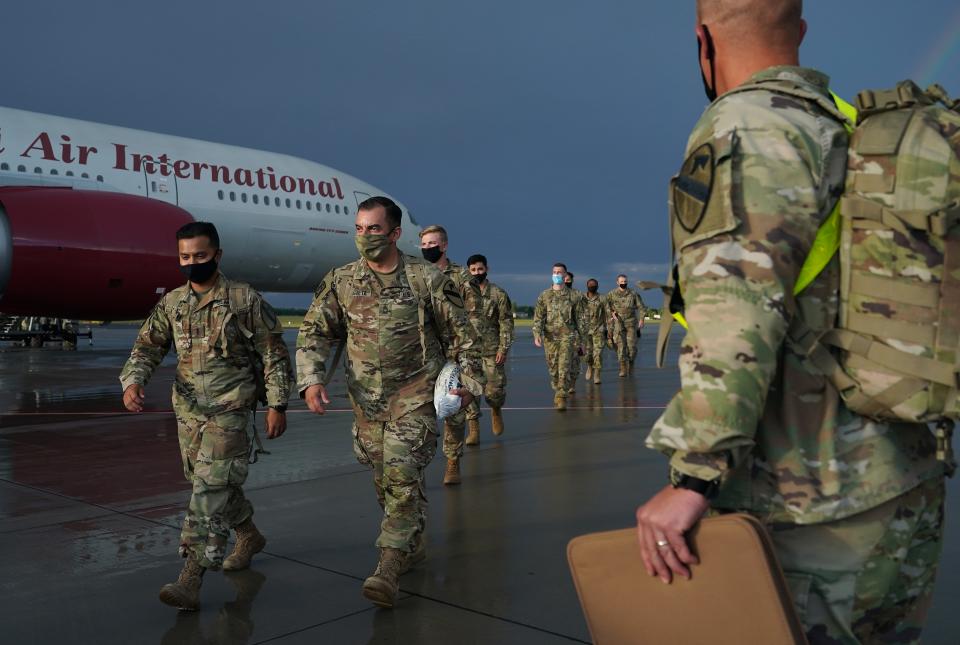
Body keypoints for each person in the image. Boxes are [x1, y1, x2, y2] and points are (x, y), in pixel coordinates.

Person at [635, 2, 946, 642]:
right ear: (800, 33)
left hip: (814, 502)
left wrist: (695, 475)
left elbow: (734, 312)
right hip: (903, 476)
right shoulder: (853, 127)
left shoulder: (743, 128)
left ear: (702, 42)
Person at [296, 197, 483, 608]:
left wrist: (467, 384)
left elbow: (464, 338)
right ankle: (411, 541)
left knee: (400, 477)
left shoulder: (425, 279)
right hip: (366, 402)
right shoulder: (341, 280)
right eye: (359, 229)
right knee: (385, 480)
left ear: (396, 233)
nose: (364, 237)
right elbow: (314, 333)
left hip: (415, 398)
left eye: (374, 229)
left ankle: (388, 565)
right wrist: (310, 379)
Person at [120, 221, 292, 611]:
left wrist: (277, 404)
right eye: (184, 257)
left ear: (217, 255)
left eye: (200, 256)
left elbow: (273, 353)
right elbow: (147, 346)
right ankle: (248, 534)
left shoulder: (243, 299)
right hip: (188, 412)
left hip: (230, 409)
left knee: (207, 492)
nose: (192, 263)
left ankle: (190, 578)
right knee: (210, 484)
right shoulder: (173, 303)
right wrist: (132, 382)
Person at [419, 224, 483, 485]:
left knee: (453, 410)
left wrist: (468, 361)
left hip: (453, 353)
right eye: (423, 246)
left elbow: (473, 319)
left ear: (443, 246)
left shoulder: (461, 278)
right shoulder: (415, 275)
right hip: (422, 354)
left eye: (432, 244)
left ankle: (452, 460)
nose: (427, 249)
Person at [463, 254, 515, 443]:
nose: (477, 273)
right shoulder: (463, 292)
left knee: (494, 391)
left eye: (480, 269)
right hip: (468, 351)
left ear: (487, 269)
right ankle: (474, 429)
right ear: (468, 271)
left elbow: (506, 322)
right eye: (473, 270)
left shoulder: (498, 293)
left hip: (492, 349)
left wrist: (504, 348)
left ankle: (495, 410)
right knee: (470, 391)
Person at [533, 263, 585, 411]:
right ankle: (557, 389)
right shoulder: (544, 295)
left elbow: (580, 320)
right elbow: (539, 317)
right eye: (554, 272)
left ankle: (561, 396)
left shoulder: (575, 295)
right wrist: (537, 334)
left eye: (559, 272)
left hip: (568, 336)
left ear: (565, 275)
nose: (557, 274)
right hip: (550, 338)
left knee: (564, 365)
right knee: (553, 368)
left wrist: (582, 341)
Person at [605, 274, 645, 377]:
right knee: (620, 347)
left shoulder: (633, 294)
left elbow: (641, 307)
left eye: (625, 282)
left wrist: (642, 319)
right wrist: (611, 313)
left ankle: (631, 364)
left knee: (631, 347)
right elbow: (605, 306)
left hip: (631, 323)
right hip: (618, 324)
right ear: (617, 282)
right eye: (621, 282)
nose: (623, 283)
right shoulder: (611, 294)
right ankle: (623, 368)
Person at [581, 279, 606, 385]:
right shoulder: (581, 298)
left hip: (598, 329)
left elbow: (608, 312)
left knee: (598, 353)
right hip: (585, 331)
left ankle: (597, 374)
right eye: (590, 285)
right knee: (587, 354)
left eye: (594, 285)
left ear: (597, 286)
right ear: (587, 286)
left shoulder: (602, 298)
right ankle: (590, 366)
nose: (592, 286)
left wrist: (609, 328)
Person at [564, 272, 585, 393]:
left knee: (575, 360)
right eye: (565, 279)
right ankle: (561, 384)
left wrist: (583, 338)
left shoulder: (577, 294)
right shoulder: (552, 294)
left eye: (569, 279)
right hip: (557, 334)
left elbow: (582, 316)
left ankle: (571, 384)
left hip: (574, 332)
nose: (567, 281)